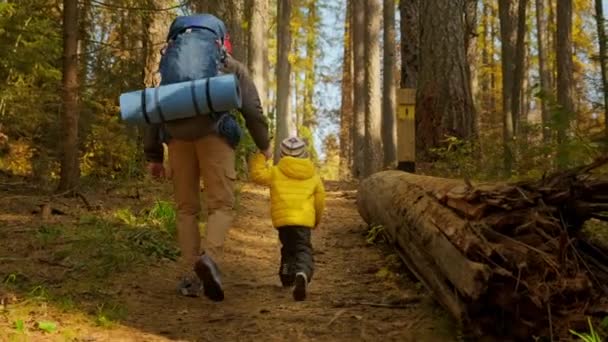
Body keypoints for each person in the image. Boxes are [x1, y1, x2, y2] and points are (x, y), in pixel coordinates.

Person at [143, 30, 271, 301]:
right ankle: (209, 259)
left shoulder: (169, 68)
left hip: (177, 141)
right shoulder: (231, 65)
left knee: (186, 209)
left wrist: (153, 156)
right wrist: (264, 145)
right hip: (216, 137)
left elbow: (154, 110)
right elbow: (252, 109)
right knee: (220, 205)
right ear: (222, 41)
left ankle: (191, 276)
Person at [248, 136, 325, 301]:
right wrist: (316, 220)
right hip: (303, 222)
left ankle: (287, 276)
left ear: (282, 155)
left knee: (288, 247)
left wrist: (262, 155)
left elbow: (257, 175)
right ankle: (302, 273)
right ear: (304, 154)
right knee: (303, 249)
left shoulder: (276, 172)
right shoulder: (313, 176)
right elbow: (319, 202)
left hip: (283, 222)